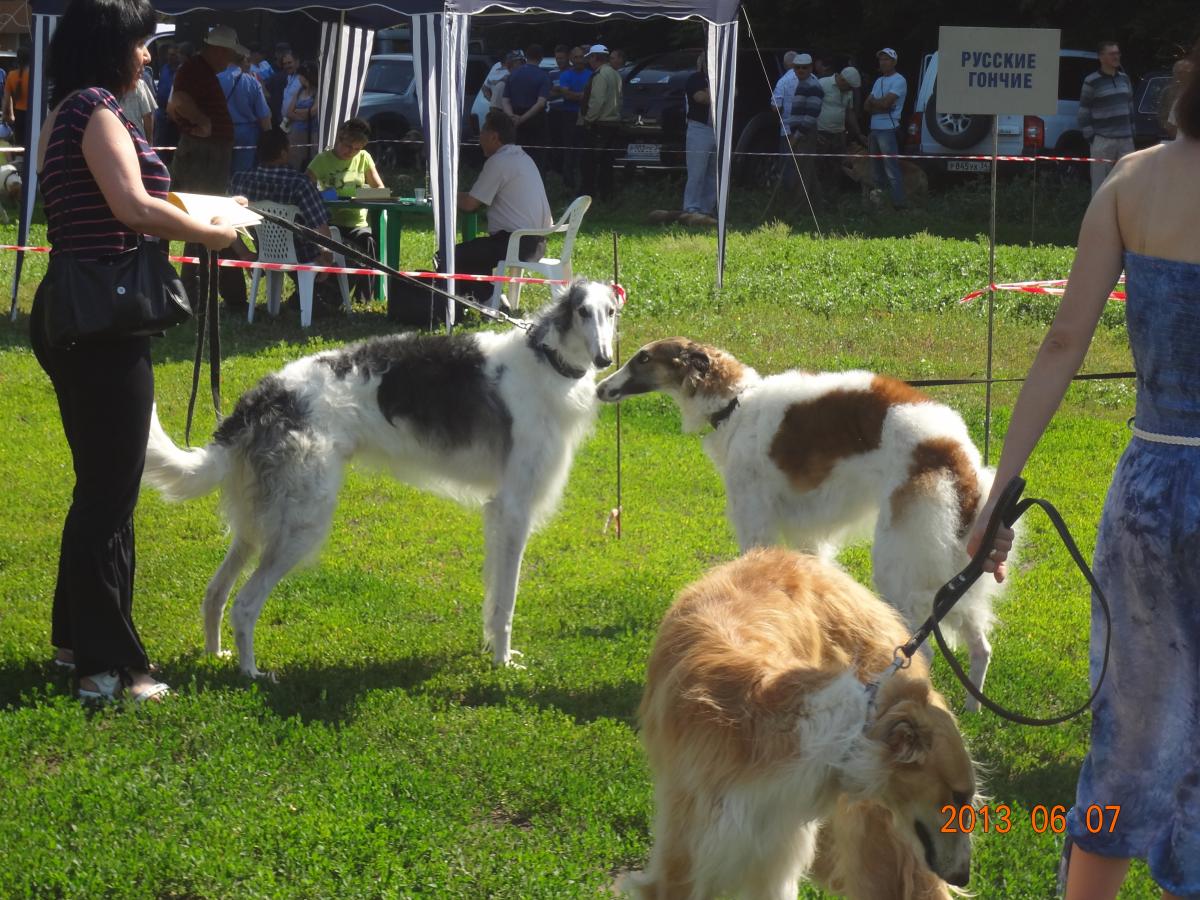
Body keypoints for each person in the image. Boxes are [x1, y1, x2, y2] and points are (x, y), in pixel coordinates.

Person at [968, 41, 1200, 900]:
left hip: (1151, 491)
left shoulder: (1131, 181)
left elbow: (1064, 340)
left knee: (1129, 731)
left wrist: (998, 495)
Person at [31, 0, 236, 703]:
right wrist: (211, 233)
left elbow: (127, 200)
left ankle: (75, 643)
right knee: (109, 496)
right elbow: (130, 206)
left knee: (99, 487)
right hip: (104, 318)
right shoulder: (95, 110)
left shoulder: (67, 110)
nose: (148, 56)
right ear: (110, 45)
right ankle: (108, 666)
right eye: (141, 44)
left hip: (79, 311)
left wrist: (200, 211)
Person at [167, 23, 246, 308]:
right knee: (205, 219)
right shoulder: (194, 69)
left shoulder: (199, 70)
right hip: (205, 154)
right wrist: (201, 121)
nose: (231, 59)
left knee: (211, 217)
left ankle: (217, 293)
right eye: (230, 53)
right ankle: (192, 293)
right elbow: (177, 101)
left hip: (209, 153)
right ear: (219, 50)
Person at [440, 109, 551, 308]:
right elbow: (475, 198)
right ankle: (492, 299)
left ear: (493, 136)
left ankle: (482, 302)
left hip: (516, 243)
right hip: (537, 243)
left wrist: (443, 194)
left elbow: (470, 204)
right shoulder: (522, 158)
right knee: (475, 252)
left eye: (482, 131)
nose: (479, 138)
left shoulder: (499, 161)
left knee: (449, 256)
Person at [306, 117, 383, 300]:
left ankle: (364, 297)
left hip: (357, 224)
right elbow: (305, 188)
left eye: (357, 149)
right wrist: (323, 195)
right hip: (330, 224)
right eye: (348, 146)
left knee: (369, 242)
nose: (351, 152)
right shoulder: (322, 160)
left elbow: (380, 189)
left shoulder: (364, 158)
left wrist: (361, 194)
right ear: (339, 139)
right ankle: (325, 293)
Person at [1079, 41, 1135, 197]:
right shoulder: (1091, 81)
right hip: (1103, 140)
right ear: (1101, 57)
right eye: (1112, 54)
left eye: (1117, 53)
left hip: (1126, 140)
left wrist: (1132, 131)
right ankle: (1098, 213)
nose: (1116, 57)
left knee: (1127, 183)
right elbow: (1084, 111)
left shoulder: (1124, 79)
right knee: (1100, 186)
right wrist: (1092, 137)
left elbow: (1130, 105)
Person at [863, 47, 907, 209]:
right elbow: (866, 106)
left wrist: (878, 104)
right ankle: (880, 204)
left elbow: (886, 104)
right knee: (876, 170)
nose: (883, 62)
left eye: (886, 59)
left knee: (891, 169)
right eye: (881, 59)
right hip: (874, 128)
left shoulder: (899, 80)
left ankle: (898, 204)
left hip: (888, 128)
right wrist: (880, 105)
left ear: (894, 62)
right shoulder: (878, 81)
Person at [579, 44, 622, 202]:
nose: (589, 61)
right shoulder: (615, 74)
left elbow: (597, 101)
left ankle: (587, 196)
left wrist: (588, 119)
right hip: (613, 123)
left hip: (599, 124)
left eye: (590, 57)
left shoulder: (600, 75)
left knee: (589, 163)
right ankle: (607, 196)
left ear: (595, 57)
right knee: (606, 163)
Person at [218, 53, 271, 174]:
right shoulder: (252, 82)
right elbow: (264, 115)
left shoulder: (216, 79)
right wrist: (268, 137)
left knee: (221, 171)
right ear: (242, 61)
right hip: (248, 134)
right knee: (243, 173)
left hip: (222, 130)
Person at [815, 65, 863, 199]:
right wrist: (813, 132)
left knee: (837, 165)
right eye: (849, 87)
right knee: (819, 164)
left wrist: (858, 133)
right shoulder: (822, 84)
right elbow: (812, 107)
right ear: (842, 80)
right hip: (821, 132)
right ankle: (817, 197)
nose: (850, 90)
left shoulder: (848, 91)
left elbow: (849, 112)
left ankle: (833, 196)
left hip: (839, 134)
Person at [503, 44, 551, 171]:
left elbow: (505, 100)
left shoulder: (513, 75)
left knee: (517, 156)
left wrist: (512, 117)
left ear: (526, 57)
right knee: (537, 158)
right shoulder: (543, 76)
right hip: (535, 120)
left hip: (515, 119)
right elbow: (541, 103)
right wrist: (523, 118)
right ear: (541, 58)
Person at [784, 53, 823, 201]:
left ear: (811, 68)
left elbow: (811, 116)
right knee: (807, 169)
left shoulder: (813, 86)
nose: (801, 70)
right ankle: (817, 203)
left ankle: (800, 205)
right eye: (798, 67)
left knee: (802, 172)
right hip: (800, 132)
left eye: (804, 67)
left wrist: (797, 136)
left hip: (805, 133)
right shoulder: (803, 84)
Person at [554, 45, 592, 191]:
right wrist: (582, 96)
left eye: (581, 57)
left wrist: (576, 95)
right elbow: (566, 94)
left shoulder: (591, 75)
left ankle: (584, 185)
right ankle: (568, 186)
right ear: (571, 59)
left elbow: (592, 95)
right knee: (569, 150)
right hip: (569, 115)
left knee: (584, 151)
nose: (578, 60)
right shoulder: (565, 75)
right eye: (575, 57)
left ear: (585, 58)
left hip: (586, 115)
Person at [682, 53, 716, 218]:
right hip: (699, 129)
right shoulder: (696, 78)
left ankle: (707, 209)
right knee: (697, 171)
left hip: (717, 129)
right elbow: (700, 97)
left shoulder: (721, 78)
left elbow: (735, 93)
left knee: (713, 172)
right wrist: (717, 94)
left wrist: (711, 93)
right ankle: (691, 207)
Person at [152, 41, 185, 158]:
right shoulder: (165, 68)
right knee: (159, 143)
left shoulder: (181, 71)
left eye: (173, 55)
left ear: (179, 56)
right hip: (161, 112)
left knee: (174, 143)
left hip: (175, 115)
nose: (170, 57)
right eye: (169, 55)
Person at [285, 61, 319, 170]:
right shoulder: (299, 91)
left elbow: (313, 111)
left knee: (312, 160)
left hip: (312, 133)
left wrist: (297, 111)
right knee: (295, 160)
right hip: (296, 133)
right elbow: (289, 112)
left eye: (300, 76)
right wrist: (304, 114)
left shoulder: (318, 92)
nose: (299, 78)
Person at [2, 47, 31, 153]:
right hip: (32, 114)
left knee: (19, 146)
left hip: (18, 115)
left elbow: (6, 99)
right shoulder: (34, 76)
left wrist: (6, 115)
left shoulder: (11, 75)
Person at [118, 67, 156, 138]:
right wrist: (149, 141)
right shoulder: (140, 84)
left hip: (116, 138)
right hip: (137, 138)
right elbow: (148, 116)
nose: (143, 70)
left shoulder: (105, 86)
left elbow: (148, 115)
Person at [264, 50, 298, 129]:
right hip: (283, 120)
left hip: (298, 121)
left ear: (297, 62)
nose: (287, 66)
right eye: (285, 64)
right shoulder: (279, 77)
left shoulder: (302, 78)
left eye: (289, 63)